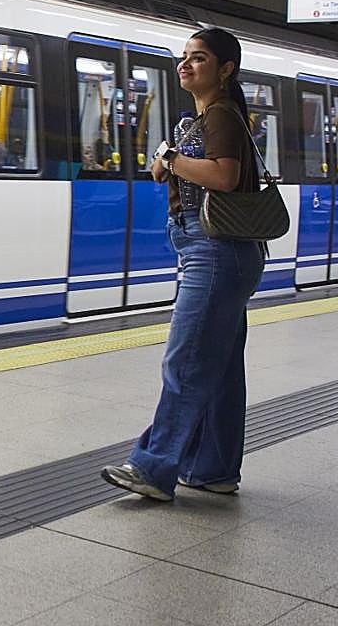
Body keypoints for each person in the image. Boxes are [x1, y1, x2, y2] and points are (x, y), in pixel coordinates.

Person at [101, 27, 264, 502]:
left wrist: (170, 159)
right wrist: (168, 159)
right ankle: (213, 468)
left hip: (216, 249)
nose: (185, 65)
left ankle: (153, 468)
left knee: (187, 361)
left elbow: (224, 175)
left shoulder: (222, 115)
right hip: (214, 249)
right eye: (185, 57)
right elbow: (165, 168)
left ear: (225, 69)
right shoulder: (196, 118)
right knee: (219, 366)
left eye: (199, 58)